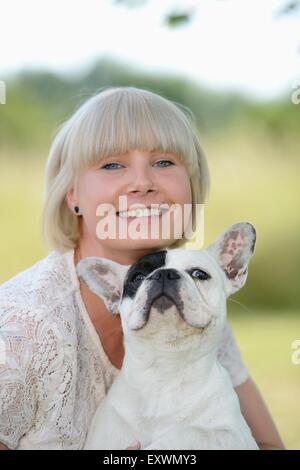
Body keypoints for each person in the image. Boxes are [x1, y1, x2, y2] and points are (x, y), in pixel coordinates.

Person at [0, 86, 284, 450]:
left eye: (164, 162)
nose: (142, 183)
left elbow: (268, 445)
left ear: (191, 189)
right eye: (112, 164)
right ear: (72, 194)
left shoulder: (196, 303)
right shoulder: (21, 329)